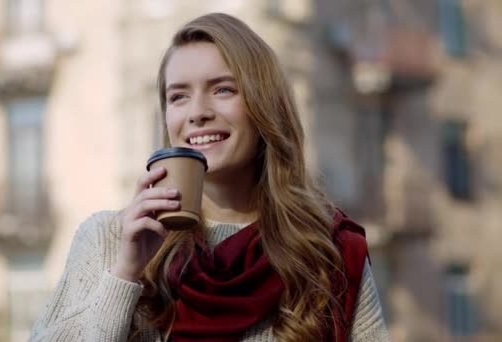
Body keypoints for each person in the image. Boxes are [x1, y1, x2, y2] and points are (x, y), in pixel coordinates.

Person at [29, 13, 390, 342]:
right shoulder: (109, 240)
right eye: (179, 96)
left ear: (264, 106)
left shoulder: (327, 251)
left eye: (223, 90)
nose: (198, 113)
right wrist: (124, 274)